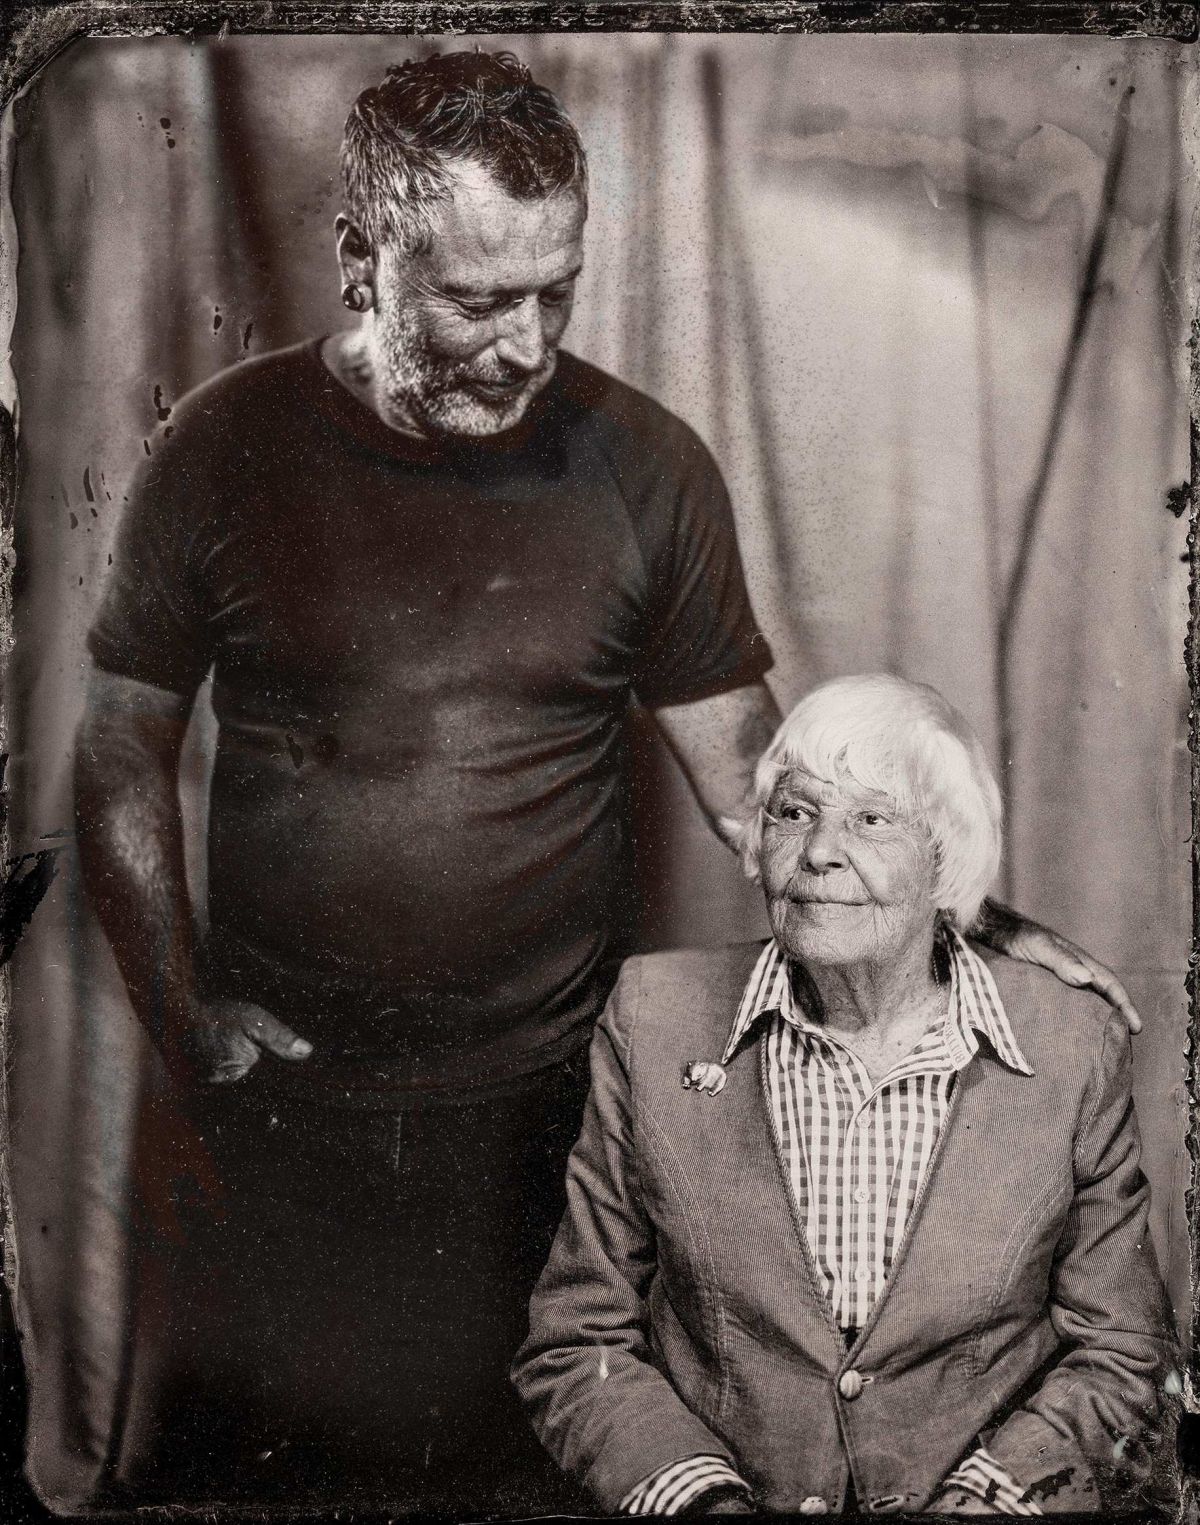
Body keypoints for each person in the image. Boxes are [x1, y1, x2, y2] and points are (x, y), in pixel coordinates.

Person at [73, 52, 1140, 1510]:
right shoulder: (218, 446)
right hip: (287, 1111)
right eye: (476, 300)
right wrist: (182, 1012)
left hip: (547, 1112)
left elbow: (755, 784)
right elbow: (120, 746)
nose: (524, 347)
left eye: (555, 292)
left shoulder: (646, 466)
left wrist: (976, 920)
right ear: (359, 261)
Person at [513, 675, 1176, 1517]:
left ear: (948, 858)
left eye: (871, 818)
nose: (820, 850)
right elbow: (576, 1341)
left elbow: (1125, 1351)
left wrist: (987, 1505)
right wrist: (705, 1503)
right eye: (794, 812)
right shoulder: (655, 1016)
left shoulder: (1069, 1043)